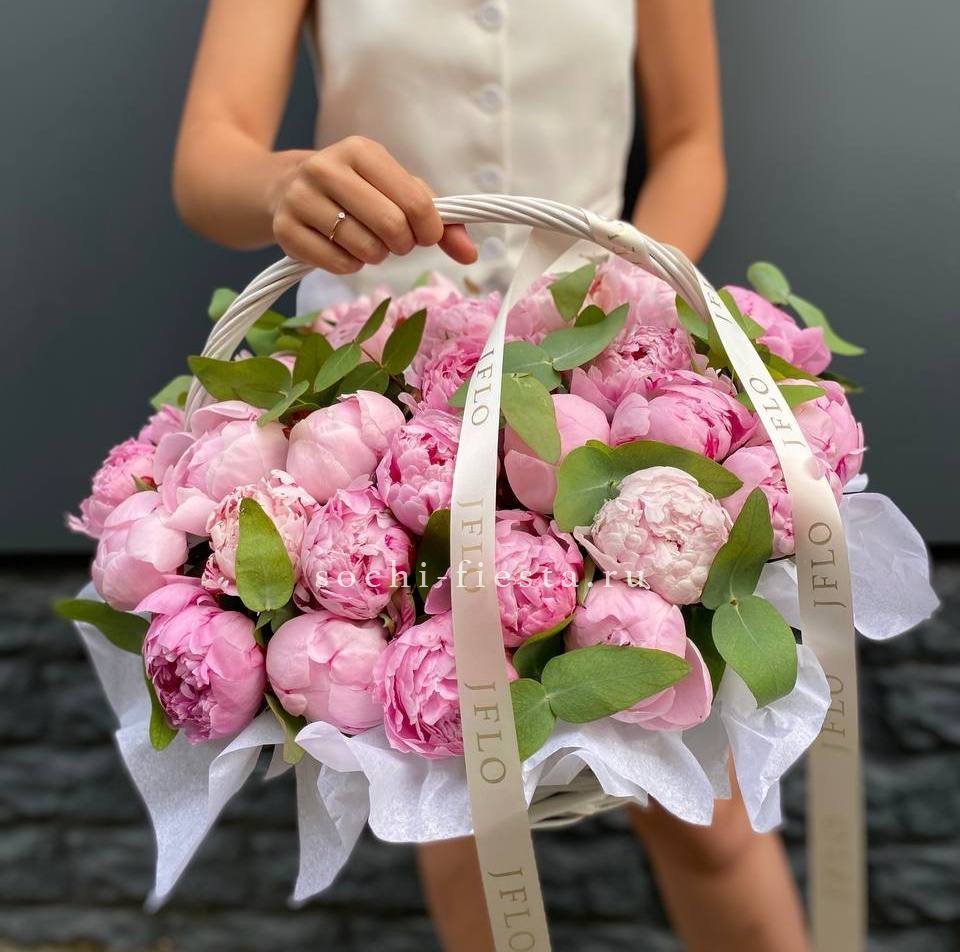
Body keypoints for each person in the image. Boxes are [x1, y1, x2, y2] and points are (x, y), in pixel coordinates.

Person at [173, 3, 810, 950]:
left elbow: (690, 143)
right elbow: (207, 161)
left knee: (713, 825)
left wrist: (618, 289)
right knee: (462, 808)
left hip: (595, 384)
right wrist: (282, 184)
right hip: (387, 411)